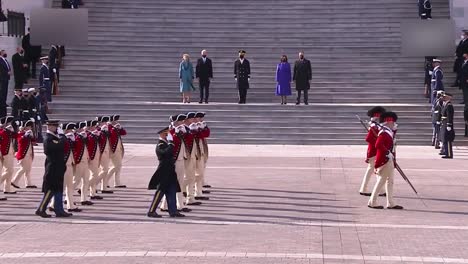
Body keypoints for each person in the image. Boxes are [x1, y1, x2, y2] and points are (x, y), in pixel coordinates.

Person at [35, 120, 72, 218]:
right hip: (52, 168)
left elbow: (62, 147)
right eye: (55, 126)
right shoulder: (48, 138)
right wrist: (63, 137)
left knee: (58, 189)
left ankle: (59, 209)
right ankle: (41, 209)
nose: (56, 128)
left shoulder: (55, 137)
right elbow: (53, 148)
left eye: (57, 126)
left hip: (58, 167)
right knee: (50, 190)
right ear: (49, 127)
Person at [367, 111, 403, 210]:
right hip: (385, 159)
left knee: (390, 181)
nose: (394, 124)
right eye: (393, 123)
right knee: (382, 181)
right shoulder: (384, 132)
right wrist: (387, 152)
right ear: (388, 122)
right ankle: (372, 201)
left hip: (389, 159)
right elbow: (378, 144)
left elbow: (390, 140)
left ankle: (390, 202)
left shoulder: (388, 131)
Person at [147, 127, 185, 218]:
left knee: (172, 190)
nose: (168, 136)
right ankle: (151, 211)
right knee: (160, 191)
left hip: (170, 170)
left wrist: (171, 143)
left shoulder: (166, 143)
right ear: (161, 134)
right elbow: (166, 153)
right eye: (166, 134)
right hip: (163, 171)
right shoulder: (160, 144)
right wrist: (171, 143)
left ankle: (173, 211)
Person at [161, 114, 191, 213]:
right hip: (174, 161)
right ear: (174, 122)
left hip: (181, 159)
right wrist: (176, 132)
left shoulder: (181, 130)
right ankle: (167, 205)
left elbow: (188, 140)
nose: (182, 122)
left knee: (179, 183)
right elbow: (172, 144)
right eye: (180, 121)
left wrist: (185, 132)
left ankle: (177, 205)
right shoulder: (170, 132)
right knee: (173, 183)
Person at [359, 106, 386, 196]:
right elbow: (369, 139)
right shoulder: (374, 126)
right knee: (373, 170)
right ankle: (364, 188)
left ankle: (381, 190)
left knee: (378, 170)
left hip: (376, 150)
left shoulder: (376, 126)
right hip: (374, 151)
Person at [61, 122, 81, 212]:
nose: (71, 131)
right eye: (69, 129)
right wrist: (66, 139)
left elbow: (76, 149)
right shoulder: (61, 138)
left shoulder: (69, 138)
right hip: (64, 165)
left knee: (69, 186)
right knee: (63, 186)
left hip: (70, 164)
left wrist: (73, 141)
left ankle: (70, 205)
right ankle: (53, 204)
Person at [73, 121, 93, 206]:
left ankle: (84, 198)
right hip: (79, 161)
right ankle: (67, 197)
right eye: (81, 128)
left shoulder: (83, 136)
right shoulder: (76, 136)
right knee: (76, 181)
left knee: (86, 181)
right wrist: (81, 137)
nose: (83, 129)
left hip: (85, 161)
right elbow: (76, 145)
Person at [11, 120, 36, 189]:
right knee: (23, 168)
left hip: (29, 154)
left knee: (28, 170)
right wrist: (25, 135)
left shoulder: (28, 134)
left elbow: (34, 142)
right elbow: (21, 141)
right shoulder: (20, 134)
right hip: (23, 155)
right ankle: (14, 181)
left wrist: (32, 136)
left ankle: (28, 183)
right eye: (28, 126)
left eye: (30, 127)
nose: (29, 128)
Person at [184, 112, 201, 206]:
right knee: (187, 178)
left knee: (192, 177)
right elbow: (188, 140)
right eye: (191, 119)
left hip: (193, 155)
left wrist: (199, 129)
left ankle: (190, 198)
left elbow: (203, 135)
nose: (194, 120)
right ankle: (182, 191)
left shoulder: (190, 128)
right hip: (187, 157)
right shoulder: (183, 130)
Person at [194, 112, 210, 200]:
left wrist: (204, 127)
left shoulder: (200, 125)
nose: (201, 120)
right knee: (196, 172)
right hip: (195, 151)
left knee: (201, 168)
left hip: (202, 147)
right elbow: (199, 135)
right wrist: (199, 129)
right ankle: (196, 190)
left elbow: (207, 134)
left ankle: (199, 189)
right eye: (200, 118)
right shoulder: (192, 127)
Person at [107, 115, 127, 188]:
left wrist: (120, 128)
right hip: (113, 149)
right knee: (117, 165)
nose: (116, 122)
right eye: (115, 120)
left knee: (118, 166)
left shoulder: (115, 127)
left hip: (119, 148)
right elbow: (112, 135)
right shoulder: (108, 127)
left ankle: (117, 182)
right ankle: (105, 180)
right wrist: (115, 128)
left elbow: (124, 133)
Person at [86, 120, 103, 200]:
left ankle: (93, 193)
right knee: (94, 174)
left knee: (95, 175)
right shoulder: (88, 135)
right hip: (92, 157)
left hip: (97, 156)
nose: (95, 127)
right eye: (93, 126)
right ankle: (85, 188)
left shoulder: (94, 134)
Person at [0, 116, 17, 194]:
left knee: (10, 171)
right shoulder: (3, 131)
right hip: (5, 153)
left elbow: (16, 136)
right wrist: (6, 130)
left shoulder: (8, 131)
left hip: (10, 152)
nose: (10, 124)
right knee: (9, 170)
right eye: (9, 122)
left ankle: (7, 188)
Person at [97, 116, 113, 194]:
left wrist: (107, 130)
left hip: (106, 151)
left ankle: (104, 187)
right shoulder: (97, 130)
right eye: (104, 122)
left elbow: (110, 136)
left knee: (105, 169)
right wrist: (102, 131)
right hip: (101, 152)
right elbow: (100, 140)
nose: (105, 123)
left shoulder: (105, 128)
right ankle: (91, 184)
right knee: (104, 170)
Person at [440, 93, 455, 159]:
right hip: (444, 122)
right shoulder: (445, 105)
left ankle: (449, 154)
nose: (443, 98)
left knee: (448, 139)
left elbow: (449, 116)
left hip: (447, 123)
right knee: (445, 138)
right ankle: (446, 152)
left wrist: (449, 124)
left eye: (445, 97)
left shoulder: (449, 105)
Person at [0, 50, 11, 117]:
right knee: (2, 92)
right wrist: (6, 73)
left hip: (6, 78)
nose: (6, 53)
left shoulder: (5, 60)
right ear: (1, 53)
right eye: (4, 52)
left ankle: (4, 102)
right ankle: (2, 102)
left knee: (5, 91)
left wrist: (9, 72)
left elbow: (7, 68)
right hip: (2, 79)